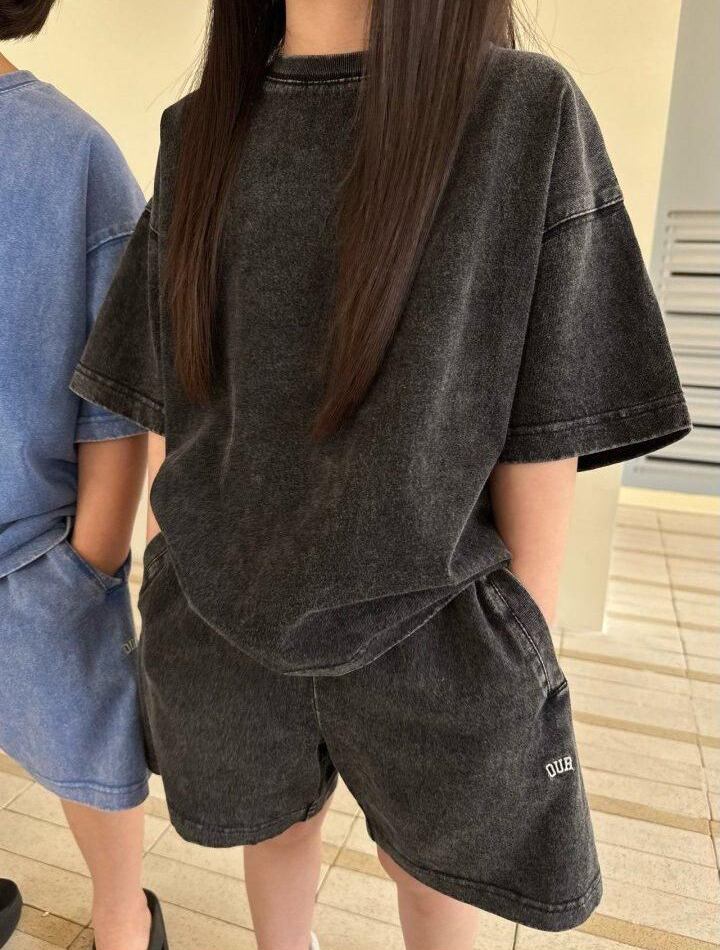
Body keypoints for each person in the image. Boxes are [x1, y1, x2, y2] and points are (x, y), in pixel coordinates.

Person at [72, 1, 691, 948]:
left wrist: (519, 637)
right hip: (225, 619)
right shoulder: (197, 131)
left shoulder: (521, 112)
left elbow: (546, 414)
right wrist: (168, 564)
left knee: (432, 877)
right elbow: (169, 389)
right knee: (275, 831)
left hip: (438, 624)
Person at [0, 3, 167, 949]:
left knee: (91, 753)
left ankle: (123, 923)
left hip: (35, 552)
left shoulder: (74, 155)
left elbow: (120, 399)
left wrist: (86, 566)